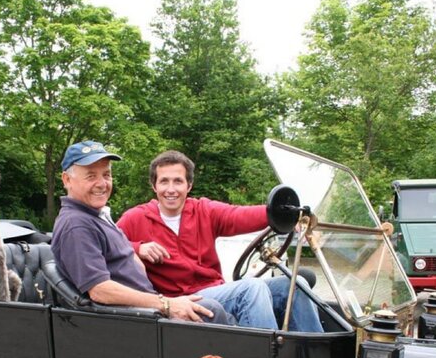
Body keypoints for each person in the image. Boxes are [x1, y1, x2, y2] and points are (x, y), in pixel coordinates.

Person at [117, 150, 324, 332]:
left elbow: (238, 215)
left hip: (215, 290)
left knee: (297, 284)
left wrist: (284, 213)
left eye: (178, 181)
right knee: (252, 288)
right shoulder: (135, 218)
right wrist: (138, 247)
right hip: (179, 301)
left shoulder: (203, 210)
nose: (171, 189)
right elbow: (106, 245)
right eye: (164, 181)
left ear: (189, 185)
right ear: (154, 185)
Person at [51, 141, 232, 324]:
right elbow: (100, 291)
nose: (102, 184)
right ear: (67, 180)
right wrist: (166, 304)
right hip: (135, 321)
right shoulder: (76, 225)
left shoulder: (95, 216)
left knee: (229, 309)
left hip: (147, 310)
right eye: (91, 176)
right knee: (212, 310)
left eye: (106, 175)